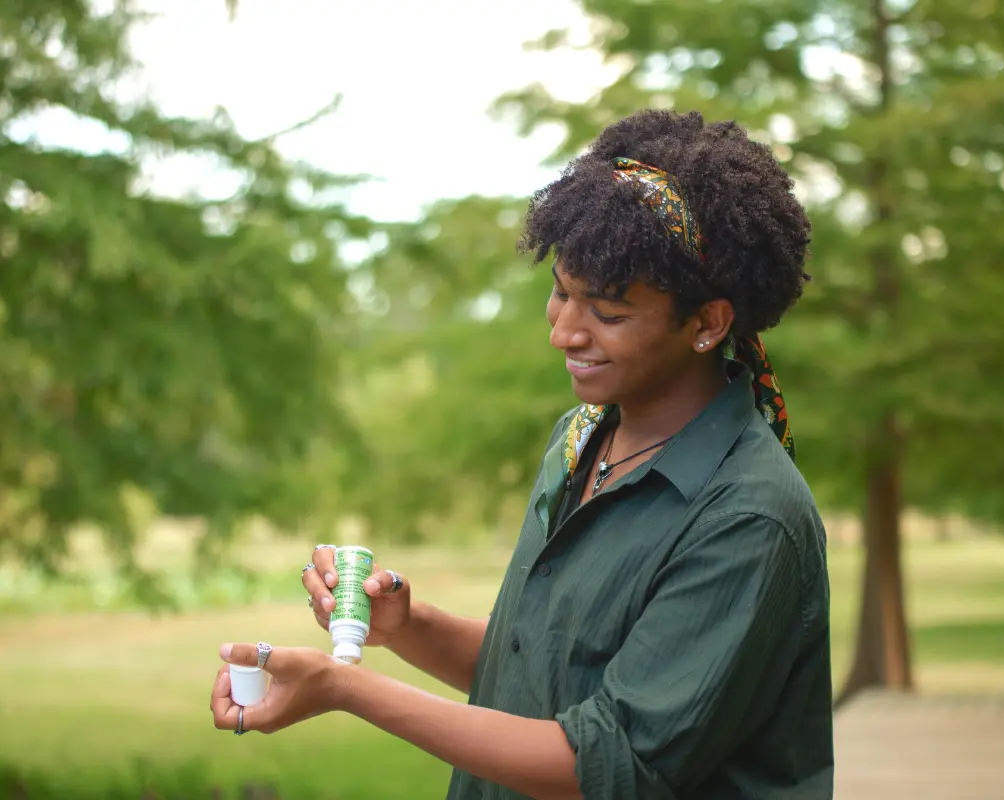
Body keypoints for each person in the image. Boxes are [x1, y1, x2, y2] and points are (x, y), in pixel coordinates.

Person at [209, 109, 834, 799]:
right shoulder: (582, 439)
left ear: (707, 324)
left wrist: (346, 689)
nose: (564, 331)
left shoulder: (748, 515)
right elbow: (539, 671)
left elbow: (606, 764)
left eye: (608, 312)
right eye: (561, 294)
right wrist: (405, 627)